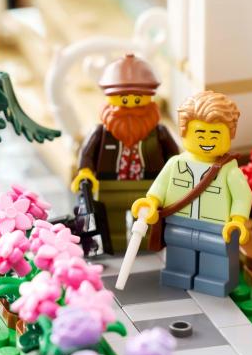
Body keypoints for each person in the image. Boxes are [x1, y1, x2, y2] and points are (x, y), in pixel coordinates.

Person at [131, 91, 252, 297]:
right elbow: (159, 188)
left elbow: (243, 196)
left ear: (230, 135)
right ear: (184, 133)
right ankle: (179, 273)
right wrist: (150, 203)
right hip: (179, 222)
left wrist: (238, 220)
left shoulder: (228, 170)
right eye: (200, 134)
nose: (207, 140)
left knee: (216, 254)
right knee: (180, 250)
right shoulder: (175, 164)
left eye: (215, 134)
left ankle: (215, 280)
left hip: (217, 227)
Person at [71, 54, 179, 251]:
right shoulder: (102, 132)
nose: (130, 104)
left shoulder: (159, 132)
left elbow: (174, 158)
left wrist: (174, 180)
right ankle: (117, 249)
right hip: (110, 186)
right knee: (113, 227)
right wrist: (85, 172)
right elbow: (87, 153)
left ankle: (147, 250)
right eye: (123, 98)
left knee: (147, 225)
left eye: (137, 98)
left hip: (150, 188)